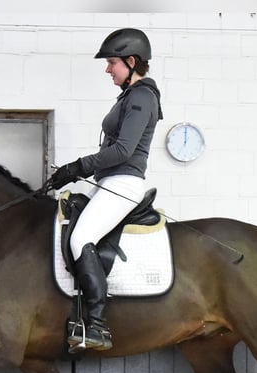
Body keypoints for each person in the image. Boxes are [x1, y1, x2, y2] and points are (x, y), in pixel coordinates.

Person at [45, 28, 163, 352]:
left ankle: (97, 324)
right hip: (109, 182)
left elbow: (123, 151)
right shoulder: (129, 96)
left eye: (112, 63)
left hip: (123, 183)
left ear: (131, 61)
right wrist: (73, 173)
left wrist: (77, 167)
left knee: (82, 238)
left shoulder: (142, 96)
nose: (108, 69)